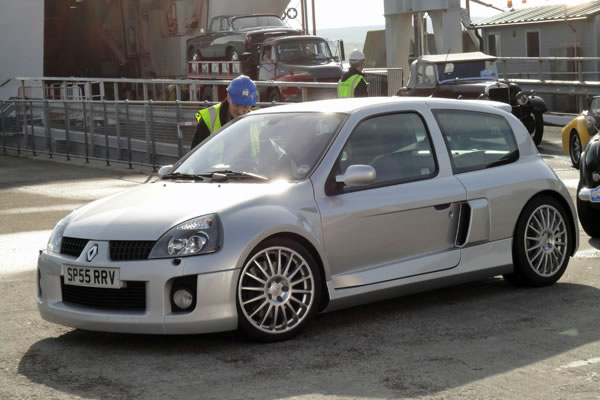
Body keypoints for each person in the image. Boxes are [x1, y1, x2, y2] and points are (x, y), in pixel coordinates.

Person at [190, 75, 258, 148]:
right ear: (228, 98)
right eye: (237, 105)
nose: (241, 112)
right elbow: (194, 156)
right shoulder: (209, 120)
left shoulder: (255, 122)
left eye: (246, 106)